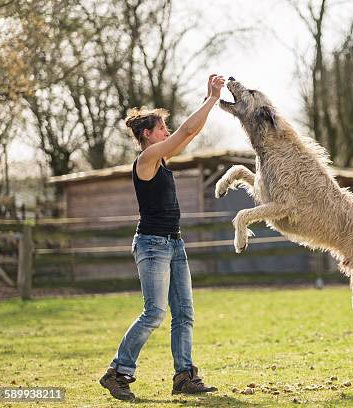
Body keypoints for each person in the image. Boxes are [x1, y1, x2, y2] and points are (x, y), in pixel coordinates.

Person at [99, 74, 226, 401]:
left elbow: (190, 131)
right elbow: (185, 131)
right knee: (154, 313)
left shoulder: (161, 157)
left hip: (173, 243)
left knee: (183, 313)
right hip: (152, 245)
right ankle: (118, 372)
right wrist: (211, 99)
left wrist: (208, 101)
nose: (166, 133)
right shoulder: (146, 160)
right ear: (146, 135)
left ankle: (184, 376)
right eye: (161, 130)